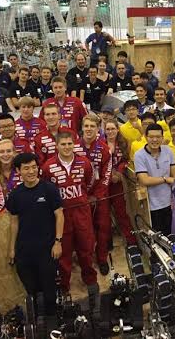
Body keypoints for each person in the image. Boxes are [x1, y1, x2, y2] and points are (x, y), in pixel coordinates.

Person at [40, 132, 100, 296]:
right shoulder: (48, 166)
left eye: (69, 144)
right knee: (64, 252)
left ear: (74, 144)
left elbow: (89, 183)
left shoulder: (84, 163)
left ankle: (90, 279)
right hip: (61, 215)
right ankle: (64, 285)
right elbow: (46, 189)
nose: (67, 147)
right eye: (63, 144)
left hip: (82, 213)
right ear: (56, 146)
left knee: (86, 248)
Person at [7, 153, 64, 319]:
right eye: (26, 168)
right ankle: (39, 322)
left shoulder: (49, 189)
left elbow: (59, 215)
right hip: (24, 251)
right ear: (18, 171)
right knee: (32, 289)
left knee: (49, 290)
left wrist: (58, 242)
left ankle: (53, 322)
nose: (31, 171)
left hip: (47, 249)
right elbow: (14, 222)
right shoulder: (15, 194)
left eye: (34, 167)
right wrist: (12, 249)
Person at [77, 114, 112, 275]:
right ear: (82, 128)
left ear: (98, 129)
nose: (89, 129)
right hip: (80, 197)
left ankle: (102, 258)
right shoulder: (74, 146)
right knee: (83, 230)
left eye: (92, 126)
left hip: (100, 196)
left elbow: (106, 175)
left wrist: (97, 196)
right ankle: (86, 259)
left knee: (103, 228)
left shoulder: (104, 148)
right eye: (86, 126)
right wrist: (83, 196)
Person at [134, 123, 175, 235]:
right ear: (146, 137)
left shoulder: (168, 151)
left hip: (169, 204)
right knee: (156, 239)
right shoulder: (139, 155)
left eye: (158, 137)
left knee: (170, 236)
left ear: (162, 138)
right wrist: (164, 178)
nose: (155, 140)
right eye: (151, 137)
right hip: (151, 206)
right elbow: (144, 180)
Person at [104, 120, 137, 245]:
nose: (110, 131)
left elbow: (125, 160)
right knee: (104, 214)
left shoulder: (123, 143)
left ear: (118, 129)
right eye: (108, 129)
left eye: (113, 128)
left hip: (117, 182)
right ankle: (106, 242)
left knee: (122, 212)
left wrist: (118, 171)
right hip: (103, 183)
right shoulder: (101, 143)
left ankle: (131, 240)